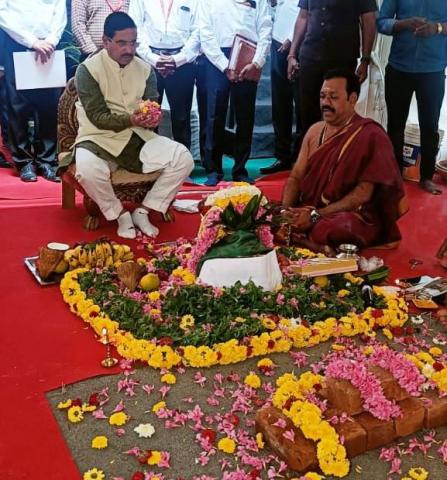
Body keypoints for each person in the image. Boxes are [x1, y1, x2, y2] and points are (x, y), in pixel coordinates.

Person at [60, 12, 194, 239]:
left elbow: (151, 105)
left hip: (138, 138)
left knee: (183, 158)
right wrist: (131, 119)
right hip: (97, 139)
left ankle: (144, 210)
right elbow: (97, 117)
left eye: (133, 43)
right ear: (106, 41)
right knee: (87, 171)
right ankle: (120, 213)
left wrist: (152, 118)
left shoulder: (145, 69)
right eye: (122, 43)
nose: (129, 50)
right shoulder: (87, 70)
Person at [279, 69, 407, 253]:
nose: (325, 103)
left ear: (352, 99)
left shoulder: (371, 135)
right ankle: (307, 238)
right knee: (267, 215)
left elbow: (362, 195)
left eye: (333, 97)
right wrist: (285, 213)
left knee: (337, 228)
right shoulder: (315, 131)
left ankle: (309, 239)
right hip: (308, 209)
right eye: (322, 96)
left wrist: (315, 216)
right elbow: (296, 177)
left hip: (349, 214)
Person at [199, 0, 272, 186]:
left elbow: (265, 28)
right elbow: (205, 33)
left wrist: (257, 62)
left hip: (248, 56)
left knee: (245, 116)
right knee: (214, 115)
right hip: (217, 59)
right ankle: (214, 169)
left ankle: (240, 169)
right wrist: (225, 65)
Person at [378, 1, 447, 196]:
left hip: (433, 71)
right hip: (399, 68)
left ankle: (426, 177)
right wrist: (404, 24)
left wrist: (437, 28)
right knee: (395, 126)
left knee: (430, 126)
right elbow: (381, 22)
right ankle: (394, 176)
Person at [287, 0, 377, 146]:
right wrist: (292, 54)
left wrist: (365, 59)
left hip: (341, 59)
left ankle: (334, 163)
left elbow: (369, 20)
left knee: (338, 114)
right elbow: (303, 17)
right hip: (310, 55)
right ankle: (309, 162)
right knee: (307, 115)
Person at [0, 0, 66, 182]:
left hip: (50, 45)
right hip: (18, 43)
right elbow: (3, 13)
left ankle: (48, 161)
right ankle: (24, 162)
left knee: (50, 107)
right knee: (18, 106)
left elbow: (59, 12)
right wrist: (32, 41)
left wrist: (51, 40)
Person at [128, 0, 200, 150]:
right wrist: (153, 59)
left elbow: (198, 30)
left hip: (183, 62)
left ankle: (183, 162)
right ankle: (149, 161)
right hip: (148, 61)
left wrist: (177, 60)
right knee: (147, 115)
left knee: (182, 117)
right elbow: (135, 27)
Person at [260, 0, 301, 175]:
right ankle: (282, 156)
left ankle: (301, 158)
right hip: (278, 42)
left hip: (300, 44)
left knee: (302, 106)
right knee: (280, 104)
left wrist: (292, 39)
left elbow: (306, 13)